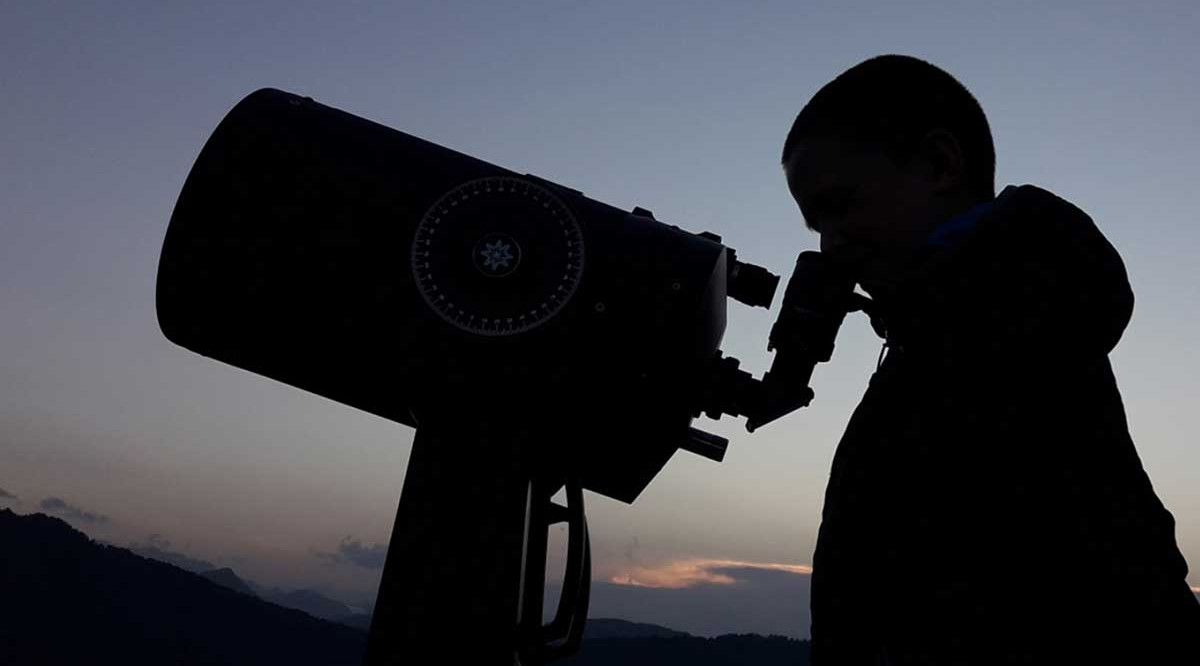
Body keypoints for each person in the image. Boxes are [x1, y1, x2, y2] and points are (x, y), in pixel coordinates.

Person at [781, 55, 1200, 664]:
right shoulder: (968, 324)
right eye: (816, 223)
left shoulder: (998, 334)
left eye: (840, 206)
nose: (830, 244)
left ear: (940, 164)